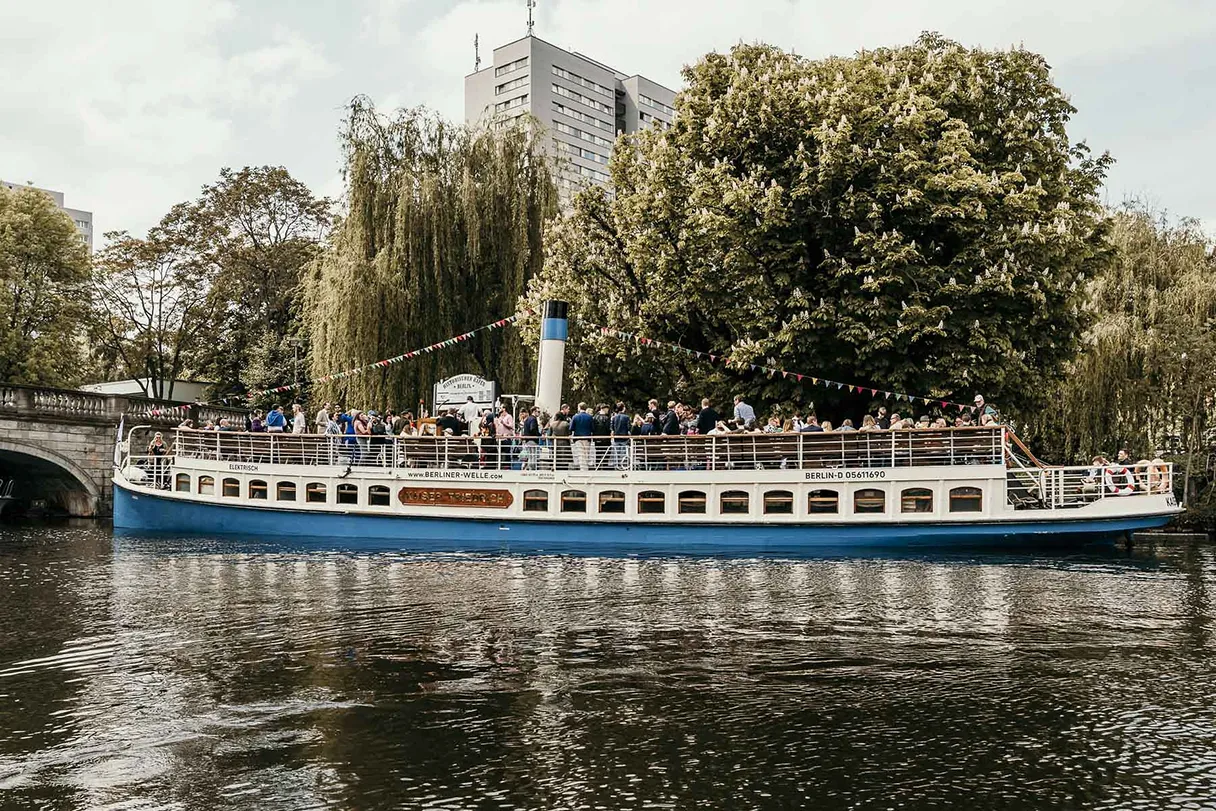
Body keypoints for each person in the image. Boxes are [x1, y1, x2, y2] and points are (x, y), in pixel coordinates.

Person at [570, 402, 595, 470]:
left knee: (581, 455)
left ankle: (583, 470)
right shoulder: (590, 417)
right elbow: (593, 428)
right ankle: (585, 469)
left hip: (578, 438)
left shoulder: (575, 417)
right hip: (587, 438)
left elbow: (571, 428)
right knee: (586, 454)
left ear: (579, 408)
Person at [610, 401, 632, 469]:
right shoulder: (626, 417)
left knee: (616, 453)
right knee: (623, 454)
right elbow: (629, 427)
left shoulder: (614, 417)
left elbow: (612, 427)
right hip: (624, 438)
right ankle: (623, 466)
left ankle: (616, 467)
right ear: (623, 408)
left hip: (616, 438)